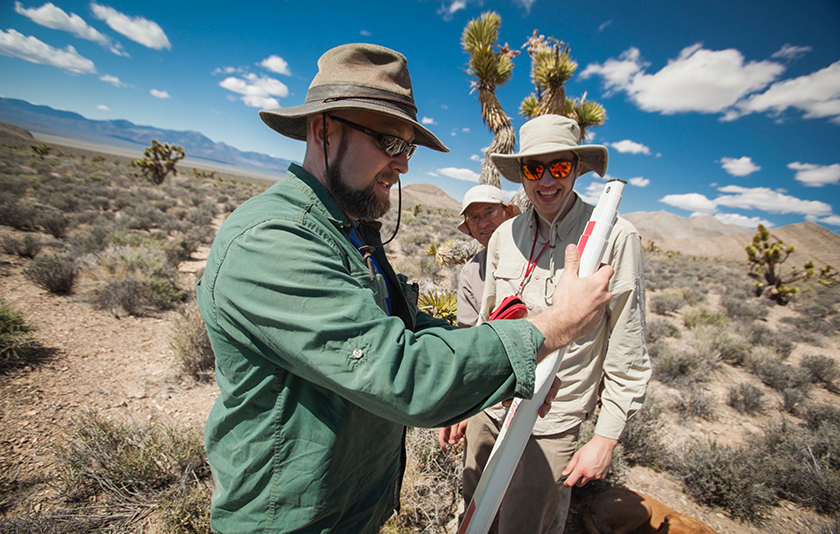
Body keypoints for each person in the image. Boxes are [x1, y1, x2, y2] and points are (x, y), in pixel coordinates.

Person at [196, 43, 614, 534]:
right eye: (390, 143)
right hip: (290, 520)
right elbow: (404, 374)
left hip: (348, 510)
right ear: (323, 129)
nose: (404, 165)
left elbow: (404, 328)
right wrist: (553, 327)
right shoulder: (272, 241)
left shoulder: (346, 230)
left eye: (408, 148)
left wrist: (505, 365)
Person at [465, 114, 651, 534]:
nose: (546, 180)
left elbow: (627, 345)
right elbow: (484, 323)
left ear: (577, 168)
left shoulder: (615, 238)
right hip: (490, 406)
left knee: (525, 525)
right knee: (474, 515)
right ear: (522, 174)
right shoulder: (504, 235)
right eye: (534, 168)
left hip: (551, 424)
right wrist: (467, 397)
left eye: (559, 167)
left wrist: (605, 438)